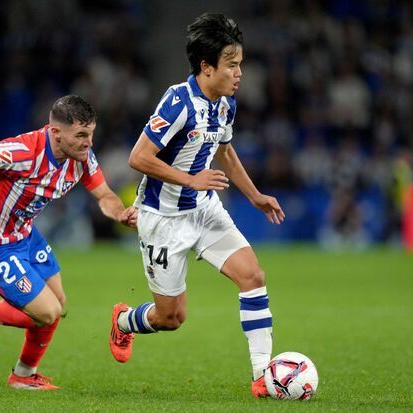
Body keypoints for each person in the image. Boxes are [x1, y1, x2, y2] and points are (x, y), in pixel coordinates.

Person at [108, 13, 285, 398]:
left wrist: (254, 194)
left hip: (203, 209)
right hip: (163, 220)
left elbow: (224, 151)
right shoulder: (178, 102)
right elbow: (138, 157)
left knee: (253, 276)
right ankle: (123, 321)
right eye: (232, 65)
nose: (239, 73)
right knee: (171, 318)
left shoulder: (225, 104)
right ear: (207, 67)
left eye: (240, 64)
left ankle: (262, 377)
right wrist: (190, 179)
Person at [0, 95, 137, 390]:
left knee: (57, 302)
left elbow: (104, 195)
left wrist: (120, 213)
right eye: (81, 135)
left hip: (24, 233)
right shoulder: (21, 152)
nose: (89, 143)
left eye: (91, 134)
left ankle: (23, 375)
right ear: (56, 133)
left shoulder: (81, 157)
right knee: (46, 312)